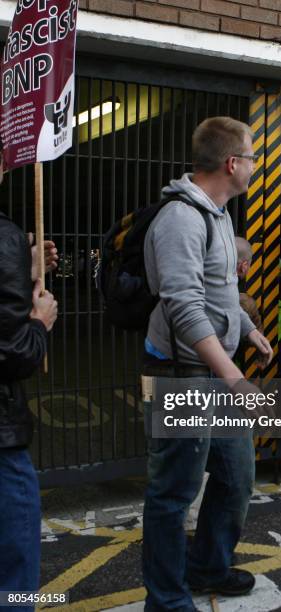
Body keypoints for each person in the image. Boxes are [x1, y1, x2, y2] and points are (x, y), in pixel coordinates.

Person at [142, 117, 273, 611]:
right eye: (254, 157)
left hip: (212, 372)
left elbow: (220, 290)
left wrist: (246, 326)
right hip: (181, 374)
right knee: (172, 494)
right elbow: (183, 304)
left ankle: (207, 567)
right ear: (232, 163)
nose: (257, 166)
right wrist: (234, 376)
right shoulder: (180, 218)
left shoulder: (220, 213)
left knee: (237, 477)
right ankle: (167, 599)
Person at [0, 139, 58, 607]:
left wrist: (27, 266)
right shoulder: (3, 235)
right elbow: (12, 352)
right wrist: (39, 322)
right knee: (14, 574)